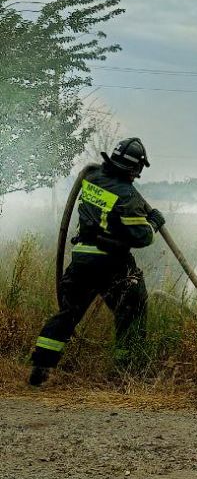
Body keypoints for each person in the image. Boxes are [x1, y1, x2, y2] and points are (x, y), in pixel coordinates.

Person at [29, 137, 165, 386]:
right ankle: (127, 370)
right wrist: (154, 221)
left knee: (68, 314)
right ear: (135, 168)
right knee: (132, 310)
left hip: (82, 258)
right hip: (111, 263)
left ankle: (41, 365)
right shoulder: (128, 196)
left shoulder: (91, 178)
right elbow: (141, 237)